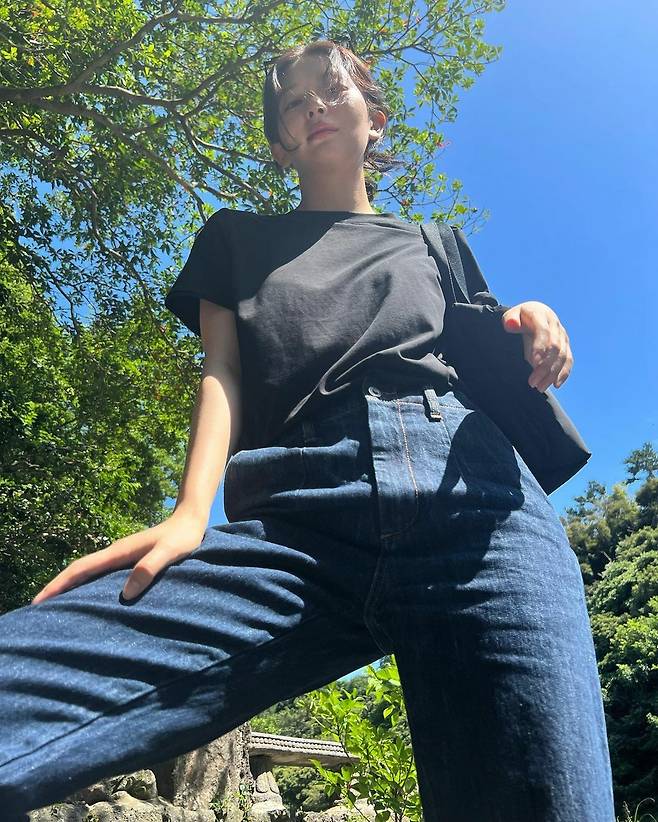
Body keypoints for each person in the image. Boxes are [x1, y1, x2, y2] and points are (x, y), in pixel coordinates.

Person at [0, 39, 615, 822]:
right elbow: (222, 372)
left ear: (375, 121)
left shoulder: (434, 243)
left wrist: (532, 315)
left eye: (332, 89)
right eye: (294, 101)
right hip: (296, 519)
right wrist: (190, 515)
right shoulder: (235, 241)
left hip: (480, 511)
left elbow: (478, 339)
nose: (314, 105)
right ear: (280, 144)